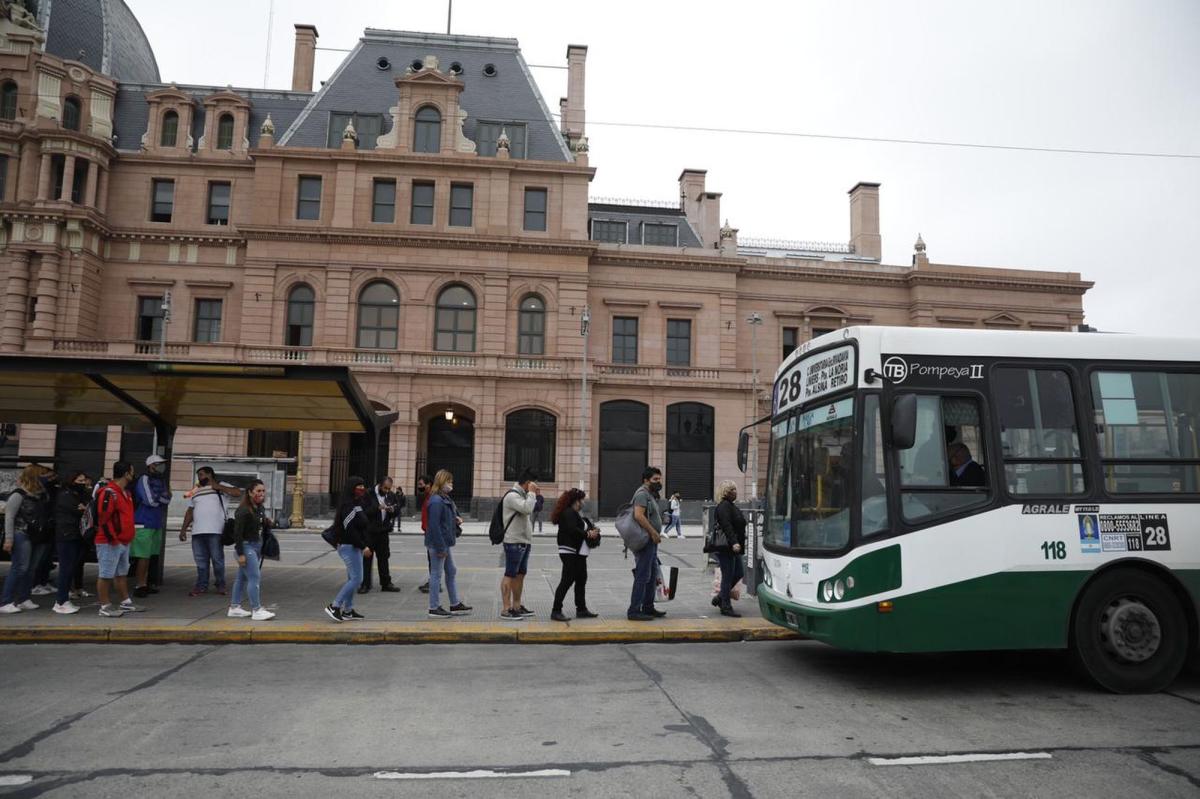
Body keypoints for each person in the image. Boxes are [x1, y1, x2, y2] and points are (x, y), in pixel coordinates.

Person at [179, 466, 242, 596]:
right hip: (197, 531)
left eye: (201, 475)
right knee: (201, 561)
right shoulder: (196, 490)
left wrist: (220, 488)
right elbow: (190, 511)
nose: (200, 478)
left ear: (210, 474)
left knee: (217, 560)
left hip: (216, 531)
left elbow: (237, 492)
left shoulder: (221, 485)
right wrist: (183, 529)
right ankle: (201, 585)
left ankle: (221, 584)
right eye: (198, 475)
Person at [93, 461, 144, 617]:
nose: (133, 475)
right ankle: (104, 605)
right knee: (106, 574)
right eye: (132, 472)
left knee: (121, 573)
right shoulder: (109, 492)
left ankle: (125, 602)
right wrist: (113, 539)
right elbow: (103, 518)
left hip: (123, 540)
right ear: (126, 474)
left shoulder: (126, 493)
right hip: (110, 541)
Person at [0, 464, 52, 614]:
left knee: (31, 568)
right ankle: (6, 601)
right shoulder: (18, 494)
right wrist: (9, 539)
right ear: (35, 476)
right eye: (43, 475)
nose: (47, 478)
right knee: (20, 567)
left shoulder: (41, 494)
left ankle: (24, 598)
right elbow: (9, 517)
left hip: (38, 534)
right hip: (21, 533)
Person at [424, 469, 471, 619]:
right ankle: (434, 607)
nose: (451, 484)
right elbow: (434, 526)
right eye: (448, 481)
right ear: (441, 482)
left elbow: (449, 516)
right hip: (439, 543)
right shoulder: (437, 500)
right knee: (436, 575)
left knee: (451, 571)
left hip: (445, 542)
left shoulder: (444, 498)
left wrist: (456, 519)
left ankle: (454, 603)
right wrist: (440, 548)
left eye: (451, 482)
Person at [325, 476, 372, 622]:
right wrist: (362, 546)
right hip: (349, 546)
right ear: (352, 488)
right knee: (357, 579)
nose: (362, 489)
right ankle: (335, 606)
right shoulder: (348, 506)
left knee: (352, 578)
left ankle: (348, 610)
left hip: (354, 546)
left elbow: (362, 523)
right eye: (359, 486)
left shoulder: (356, 503)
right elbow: (349, 530)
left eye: (363, 486)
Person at [228, 479, 275, 621]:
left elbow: (258, 525)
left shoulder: (259, 508)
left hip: (256, 546)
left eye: (263, 491)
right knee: (254, 577)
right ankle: (257, 609)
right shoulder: (243, 510)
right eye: (258, 491)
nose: (261, 494)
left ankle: (234, 607)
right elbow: (237, 534)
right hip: (246, 547)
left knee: (241, 578)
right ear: (250, 493)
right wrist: (241, 553)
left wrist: (267, 522)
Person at [550, 488, 600, 622]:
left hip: (578, 553)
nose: (584, 502)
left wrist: (592, 530)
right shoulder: (569, 513)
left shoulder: (575, 513)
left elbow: (579, 528)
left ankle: (581, 609)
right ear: (576, 501)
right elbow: (573, 530)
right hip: (569, 551)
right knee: (567, 580)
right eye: (582, 499)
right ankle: (556, 610)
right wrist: (588, 534)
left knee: (581, 579)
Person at [627, 467, 666, 621]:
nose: (658, 482)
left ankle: (648, 607)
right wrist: (653, 532)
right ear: (646, 480)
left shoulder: (650, 495)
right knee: (643, 575)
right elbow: (638, 515)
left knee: (652, 574)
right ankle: (634, 610)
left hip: (651, 541)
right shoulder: (642, 494)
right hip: (646, 540)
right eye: (655, 479)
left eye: (659, 479)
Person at [500, 468, 539, 620]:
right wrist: (532, 493)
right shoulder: (512, 496)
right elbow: (527, 508)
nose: (535, 486)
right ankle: (505, 609)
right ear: (528, 483)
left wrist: (535, 495)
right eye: (534, 484)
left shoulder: (523, 495)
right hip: (514, 542)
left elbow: (536, 507)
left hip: (524, 541)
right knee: (510, 574)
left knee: (520, 575)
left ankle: (517, 606)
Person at [131, 454, 171, 598]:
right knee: (142, 556)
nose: (161, 466)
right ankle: (140, 585)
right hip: (143, 522)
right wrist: (160, 497)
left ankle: (146, 583)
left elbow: (167, 499)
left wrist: (158, 497)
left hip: (155, 522)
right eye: (158, 463)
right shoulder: (144, 479)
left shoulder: (161, 480)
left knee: (150, 556)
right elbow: (150, 500)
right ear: (151, 465)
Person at [51, 471, 90, 614]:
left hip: (74, 535)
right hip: (66, 535)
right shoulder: (65, 495)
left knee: (70, 568)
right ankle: (60, 601)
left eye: (84, 480)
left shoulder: (76, 494)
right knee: (66, 569)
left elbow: (88, 507)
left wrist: (85, 508)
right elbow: (80, 510)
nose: (83, 483)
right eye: (79, 481)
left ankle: (64, 599)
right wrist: (84, 509)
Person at [710, 480, 748, 617]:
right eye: (732, 490)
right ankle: (725, 606)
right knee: (728, 576)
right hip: (727, 547)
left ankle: (720, 597)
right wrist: (734, 542)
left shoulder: (731, 505)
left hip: (732, 547)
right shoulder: (724, 506)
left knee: (738, 572)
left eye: (735, 489)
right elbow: (726, 526)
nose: (735, 492)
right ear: (725, 492)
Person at [360, 476, 400, 593]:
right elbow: (363, 512)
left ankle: (386, 583)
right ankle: (365, 584)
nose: (387, 491)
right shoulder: (368, 494)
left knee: (384, 558)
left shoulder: (391, 495)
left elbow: (397, 509)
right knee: (367, 558)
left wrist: (392, 510)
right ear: (379, 485)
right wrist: (377, 508)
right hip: (369, 532)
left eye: (389, 488)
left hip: (383, 531)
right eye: (385, 488)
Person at [415, 474, 435, 594]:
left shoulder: (433, 497)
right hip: (428, 532)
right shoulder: (427, 496)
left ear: (429, 485)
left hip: (431, 533)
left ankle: (434, 583)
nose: (420, 487)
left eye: (421, 485)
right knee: (431, 559)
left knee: (433, 560)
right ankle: (432, 581)